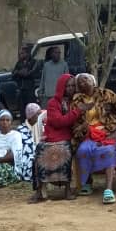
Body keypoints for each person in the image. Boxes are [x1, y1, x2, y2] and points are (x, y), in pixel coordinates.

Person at [72, 73, 116, 205]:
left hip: (107, 131)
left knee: (108, 150)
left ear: (93, 81)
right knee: (83, 151)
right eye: (79, 82)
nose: (82, 83)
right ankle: (87, 183)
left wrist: (114, 125)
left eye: (85, 79)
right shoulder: (77, 100)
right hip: (88, 134)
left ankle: (108, 189)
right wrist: (82, 129)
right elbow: (74, 121)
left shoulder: (106, 94)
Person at [30, 73, 80, 203]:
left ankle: (67, 189)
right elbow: (58, 122)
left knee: (66, 149)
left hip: (68, 135)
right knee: (41, 150)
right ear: (61, 87)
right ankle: (39, 190)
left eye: (73, 86)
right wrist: (76, 112)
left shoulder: (76, 101)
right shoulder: (53, 102)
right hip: (53, 135)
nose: (70, 88)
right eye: (67, 86)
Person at [16, 102, 42, 182]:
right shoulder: (21, 130)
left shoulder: (40, 126)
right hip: (27, 161)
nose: (39, 117)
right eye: (37, 115)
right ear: (31, 116)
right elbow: (26, 152)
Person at [12, 45, 39, 120]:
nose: (20, 55)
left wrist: (19, 73)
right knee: (22, 111)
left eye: (22, 53)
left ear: (27, 54)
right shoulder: (19, 63)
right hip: (21, 90)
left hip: (30, 90)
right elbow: (13, 74)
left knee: (31, 109)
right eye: (20, 53)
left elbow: (30, 74)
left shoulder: (34, 62)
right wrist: (20, 72)